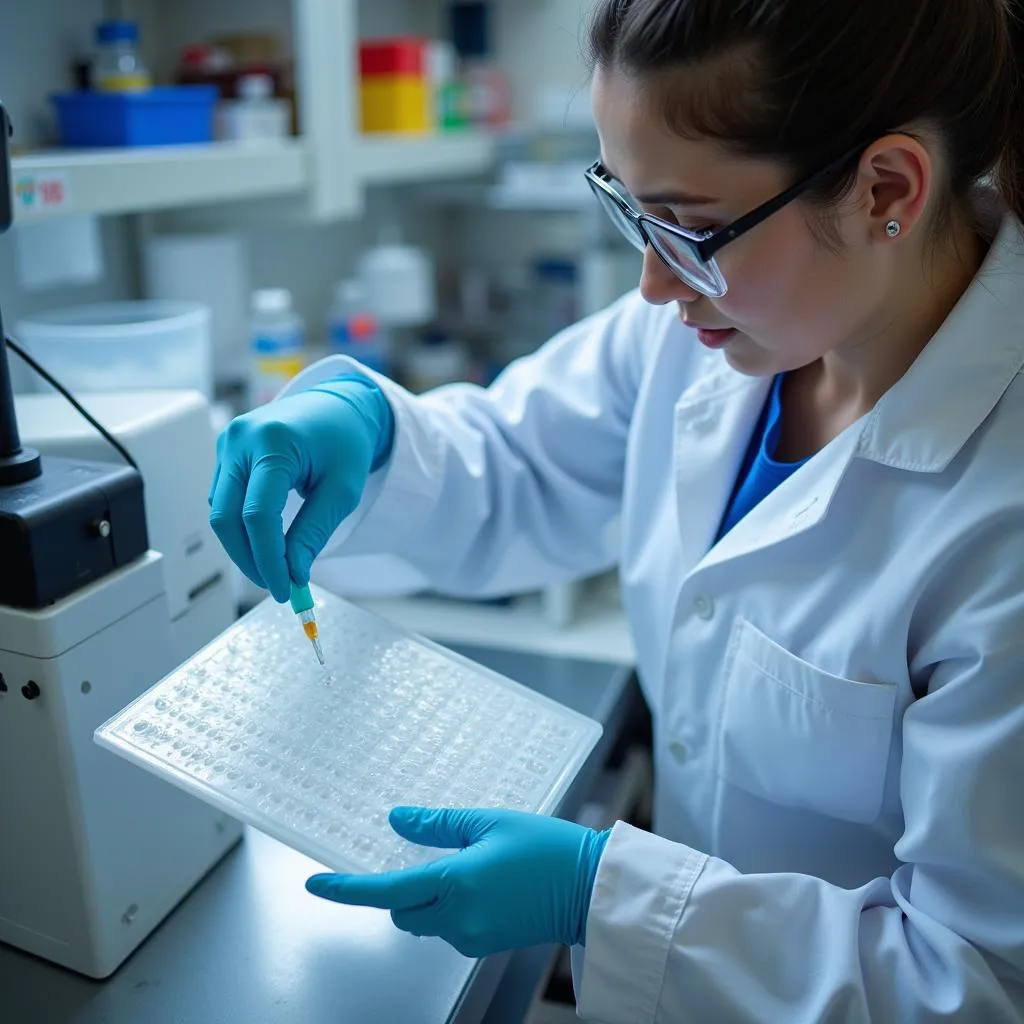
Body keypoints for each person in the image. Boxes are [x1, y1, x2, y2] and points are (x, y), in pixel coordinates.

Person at [208, 0, 1024, 1019]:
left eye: (686, 226)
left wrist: (605, 898)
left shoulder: (1000, 518)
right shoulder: (717, 325)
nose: (649, 284)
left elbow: (975, 983)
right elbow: (516, 460)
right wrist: (368, 427)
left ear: (885, 189)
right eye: (628, 207)